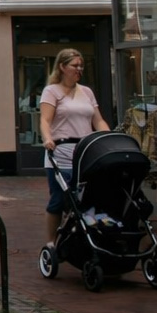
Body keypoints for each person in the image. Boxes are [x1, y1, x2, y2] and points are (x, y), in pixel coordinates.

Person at [39, 48, 110, 250]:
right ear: (62, 67)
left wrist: (108, 137)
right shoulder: (52, 91)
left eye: (81, 66)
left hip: (85, 156)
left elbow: (98, 120)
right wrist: (48, 139)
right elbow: (44, 120)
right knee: (60, 200)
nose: (79, 69)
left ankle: (87, 237)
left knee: (89, 199)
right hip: (60, 155)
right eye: (75, 66)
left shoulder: (86, 92)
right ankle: (52, 242)